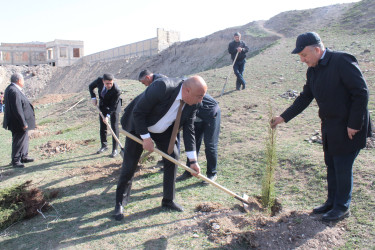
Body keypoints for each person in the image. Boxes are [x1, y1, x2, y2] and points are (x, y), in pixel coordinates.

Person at [270, 32, 372, 222]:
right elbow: (305, 97)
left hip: (349, 127)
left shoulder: (342, 61)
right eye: (300, 56)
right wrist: (283, 117)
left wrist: (354, 124)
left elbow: (361, 92)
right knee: (331, 165)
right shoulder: (313, 70)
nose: (302, 60)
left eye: (304, 55)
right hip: (330, 127)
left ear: (317, 50)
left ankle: (342, 208)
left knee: (342, 167)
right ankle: (331, 202)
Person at [114, 75, 207, 220]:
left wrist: (193, 161)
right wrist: (146, 138)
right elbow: (138, 112)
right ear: (187, 91)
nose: (201, 100)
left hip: (163, 129)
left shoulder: (194, 103)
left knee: (172, 158)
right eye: (199, 96)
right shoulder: (162, 87)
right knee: (130, 165)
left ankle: (168, 200)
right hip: (140, 126)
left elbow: (189, 129)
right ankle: (120, 203)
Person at [176, 93, 221, 182]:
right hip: (196, 116)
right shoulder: (175, 96)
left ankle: (212, 173)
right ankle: (189, 171)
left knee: (210, 145)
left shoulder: (187, 91)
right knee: (193, 143)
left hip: (211, 114)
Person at [2, 73, 36, 168]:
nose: (24, 82)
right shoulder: (14, 91)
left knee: (24, 138)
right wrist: (23, 122)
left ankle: (24, 156)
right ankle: (16, 160)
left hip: (18, 121)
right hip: (17, 122)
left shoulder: (12, 88)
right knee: (18, 140)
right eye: (23, 80)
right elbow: (17, 108)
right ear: (19, 80)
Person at [89, 73, 122, 158]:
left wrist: (107, 116)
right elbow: (90, 86)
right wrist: (93, 97)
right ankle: (104, 145)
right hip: (103, 104)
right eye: (107, 83)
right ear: (103, 81)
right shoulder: (99, 80)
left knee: (114, 127)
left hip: (114, 106)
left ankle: (115, 149)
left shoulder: (116, 90)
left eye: (111, 83)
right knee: (102, 125)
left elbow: (113, 106)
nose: (109, 85)